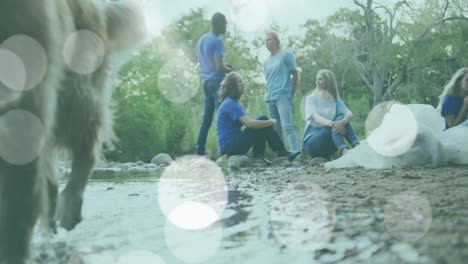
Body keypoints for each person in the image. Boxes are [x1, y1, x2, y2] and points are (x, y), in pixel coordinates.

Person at [216, 72, 300, 164]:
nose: (243, 83)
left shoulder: (231, 102)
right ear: (233, 86)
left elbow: (252, 124)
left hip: (230, 147)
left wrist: (265, 123)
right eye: (240, 81)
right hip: (229, 149)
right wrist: (270, 122)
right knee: (263, 120)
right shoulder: (230, 103)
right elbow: (250, 124)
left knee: (261, 123)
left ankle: (259, 157)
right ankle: (281, 152)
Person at [195, 12, 233, 155]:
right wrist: (228, 69)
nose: (226, 27)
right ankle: (226, 150)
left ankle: (199, 151)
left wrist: (224, 65)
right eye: (225, 24)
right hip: (217, 83)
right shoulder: (217, 42)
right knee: (222, 115)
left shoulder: (202, 40)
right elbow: (219, 67)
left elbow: (207, 63)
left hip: (206, 83)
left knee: (206, 120)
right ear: (217, 23)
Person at [301, 69, 360, 158]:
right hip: (312, 144)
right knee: (337, 122)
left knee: (341, 118)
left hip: (330, 145)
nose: (317, 81)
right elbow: (317, 118)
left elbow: (349, 114)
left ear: (328, 81)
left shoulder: (335, 100)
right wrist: (334, 124)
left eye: (320, 79)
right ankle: (348, 148)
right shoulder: (311, 99)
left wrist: (343, 122)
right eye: (316, 79)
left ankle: (352, 147)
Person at [263, 32, 299, 152]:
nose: (267, 43)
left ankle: (295, 152)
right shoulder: (266, 62)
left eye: (269, 40)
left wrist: (290, 94)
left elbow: (295, 74)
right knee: (275, 129)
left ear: (276, 41)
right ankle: (282, 153)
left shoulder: (285, 55)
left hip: (282, 95)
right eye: (265, 41)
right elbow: (268, 80)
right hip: (270, 97)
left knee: (287, 126)